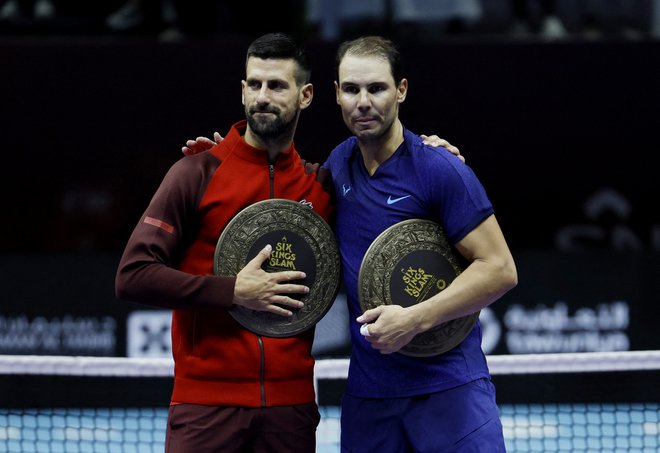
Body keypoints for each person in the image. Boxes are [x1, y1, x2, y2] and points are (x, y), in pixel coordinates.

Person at [116, 33, 332, 453]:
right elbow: (132, 276)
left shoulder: (321, 185)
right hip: (205, 406)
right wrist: (234, 291)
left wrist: (433, 150)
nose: (262, 97)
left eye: (277, 85)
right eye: (254, 84)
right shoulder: (195, 173)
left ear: (305, 95)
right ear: (242, 89)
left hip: (291, 411)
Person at [322, 35, 518, 452]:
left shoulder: (440, 169)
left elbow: (499, 269)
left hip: (449, 389)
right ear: (336, 94)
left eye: (376, 88)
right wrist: (217, 159)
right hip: (370, 398)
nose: (363, 101)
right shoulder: (336, 166)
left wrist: (414, 319)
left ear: (401, 90)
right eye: (352, 89)